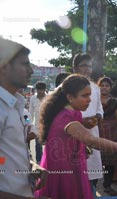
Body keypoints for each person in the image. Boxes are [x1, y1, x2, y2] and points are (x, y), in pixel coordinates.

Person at [35, 74, 117, 199]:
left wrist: (81, 149)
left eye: (90, 95)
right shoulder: (65, 118)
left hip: (74, 167)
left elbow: (76, 141)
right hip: (63, 173)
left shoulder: (76, 113)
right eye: (84, 96)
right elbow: (92, 140)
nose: (89, 100)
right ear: (70, 97)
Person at [0, 38, 47, 199]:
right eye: (24, 64)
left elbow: (5, 156)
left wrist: (31, 166)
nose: (31, 71)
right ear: (4, 66)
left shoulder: (16, 104)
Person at [72, 53, 104, 196]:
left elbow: (99, 109)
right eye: (83, 65)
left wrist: (97, 117)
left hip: (92, 135)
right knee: (74, 178)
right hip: (72, 138)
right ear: (75, 67)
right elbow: (59, 116)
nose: (87, 69)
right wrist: (81, 121)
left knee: (92, 177)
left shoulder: (95, 88)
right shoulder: (65, 87)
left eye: (89, 66)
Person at [97, 76, 117, 196]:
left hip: (112, 134)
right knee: (95, 160)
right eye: (102, 85)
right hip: (96, 133)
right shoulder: (92, 101)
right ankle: (92, 185)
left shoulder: (115, 102)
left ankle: (107, 185)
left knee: (111, 162)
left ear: (110, 88)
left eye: (106, 86)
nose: (104, 88)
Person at [29, 81, 47, 164]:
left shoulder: (49, 98)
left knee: (48, 144)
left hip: (47, 126)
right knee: (38, 144)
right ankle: (39, 161)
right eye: (38, 90)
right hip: (36, 126)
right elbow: (30, 114)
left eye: (41, 90)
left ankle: (47, 160)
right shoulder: (33, 98)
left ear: (44, 90)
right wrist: (28, 124)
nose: (39, 91)